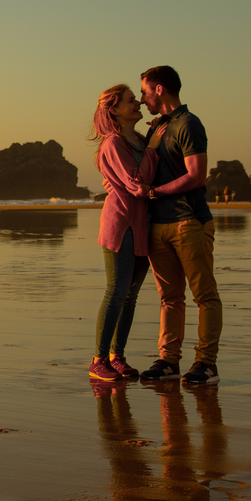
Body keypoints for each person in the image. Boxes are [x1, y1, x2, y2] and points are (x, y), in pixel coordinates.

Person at [136, 66, 223, 385]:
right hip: (158, 225)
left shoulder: (189, 123)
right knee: (169, 298)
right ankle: (169, 361)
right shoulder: (158, 126)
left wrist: (155, 192)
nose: (143, 99)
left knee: (204, 295)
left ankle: (206, 363)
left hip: (190, 222)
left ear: (159, 89)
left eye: (144, 92)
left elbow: (196, 176)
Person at [88, 85, 159, 381]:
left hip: (143, 223)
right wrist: (154, 148)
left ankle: (118, 357)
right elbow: (137, 183)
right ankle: (98, 360)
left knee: (131, 296)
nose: (138, 103)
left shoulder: (141, 140)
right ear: (114, 110)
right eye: (131, 101)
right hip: (120, 224)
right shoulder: (113, 143)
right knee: (116, 292)